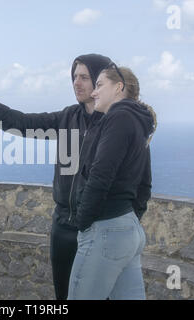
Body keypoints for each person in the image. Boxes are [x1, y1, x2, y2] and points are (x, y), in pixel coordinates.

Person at [0, 54, 112, 300]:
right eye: (74, 77)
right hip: (62, 228)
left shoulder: (115, 124)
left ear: (101, 80)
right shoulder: (68, 118)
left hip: (95, 229)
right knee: (64, 296)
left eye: (84, 77)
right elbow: (24, 122)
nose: (76, 83)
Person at [67, 63, 157, 300]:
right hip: (127, 232)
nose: (94, 92)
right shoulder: (137, 122)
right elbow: (145, 184)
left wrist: (83, 222)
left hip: (105, 229)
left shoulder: (119, 118)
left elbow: (100, 175)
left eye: (99, 85)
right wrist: (128, 220)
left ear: (119, 87)